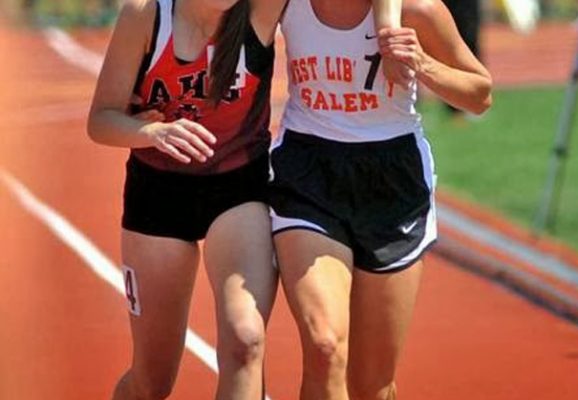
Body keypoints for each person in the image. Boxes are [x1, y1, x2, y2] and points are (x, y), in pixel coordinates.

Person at [267, 0, 492, 399]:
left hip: (393, 182)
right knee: (324, 345)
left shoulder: (418, 11)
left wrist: (421, 63)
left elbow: (479, 95)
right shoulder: (286, 4)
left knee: (373, 385)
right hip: (307, 174)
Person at [87, 0, 285, 399]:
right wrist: (150, 134)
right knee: (151, 383)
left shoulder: (258, 11)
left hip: (238, 188)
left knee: (245, 341)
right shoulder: (146, 15)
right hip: (158, 192)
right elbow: (101, 120)